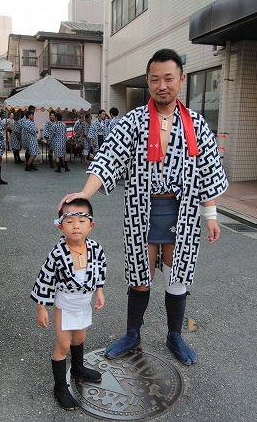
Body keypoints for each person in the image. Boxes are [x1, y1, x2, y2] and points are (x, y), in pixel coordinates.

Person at [60, 48, 228, 366]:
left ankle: (174, 335)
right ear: (148, 82)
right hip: (142, 209)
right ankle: (132, 333)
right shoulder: (134, 121)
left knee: (177, 276)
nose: (161, 85)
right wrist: (83, 195)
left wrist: (211, 215)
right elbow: (109, 158)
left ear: (181, 79)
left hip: (184, 211)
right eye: (154, 79)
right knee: (140, 275)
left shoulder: (197, 124)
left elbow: (208, 171)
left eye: (168, 78)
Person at [31, 198, 106, 411]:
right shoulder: (57, 254)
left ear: (91, 225)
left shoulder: (96, 249)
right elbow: (45, 279)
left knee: (80, 337)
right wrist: (41, 308)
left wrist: (99, 291)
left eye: (82, 221)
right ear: (60, 225)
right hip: (64, 304)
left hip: (84, 303)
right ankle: (60, 387)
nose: (76, 226)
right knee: (63, 345)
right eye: (70, 221)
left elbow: (101, 270)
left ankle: (78, 368)